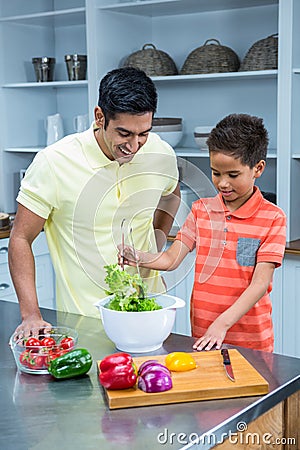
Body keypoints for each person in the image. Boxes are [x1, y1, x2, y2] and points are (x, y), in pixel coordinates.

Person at [9, 67, 181, 336]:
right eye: (124, 133)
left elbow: (171, 194)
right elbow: (20, 238)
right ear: (100, 117)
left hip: (153, 315)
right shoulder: (54, 163)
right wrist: (31, 315)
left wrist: (155, 247)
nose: (134, 146)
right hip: (86, 325)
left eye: (143, 134)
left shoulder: (160, 152)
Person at [119, 113, 286, 353]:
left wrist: (222, 324)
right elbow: (171, 259)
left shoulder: (273, 218)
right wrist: (138, 256)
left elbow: (260, 284)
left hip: (252, 340)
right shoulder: (201, 211)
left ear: (257, 168)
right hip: (204, 334)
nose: (223, 183)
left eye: (233, 175)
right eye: (216, 173)